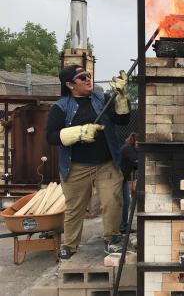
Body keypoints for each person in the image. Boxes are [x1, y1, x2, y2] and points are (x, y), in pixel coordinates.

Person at [46, 64, 130, 259]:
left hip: (106, 164)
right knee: (75, 208)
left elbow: (122, 121)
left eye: (89, 75)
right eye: (82, 77)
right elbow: (50, 136)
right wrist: (79, 133)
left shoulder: (103, 99)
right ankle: (70, 244)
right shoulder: (60, 107)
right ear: (69, 84)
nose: (87, 79)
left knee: (112, 202)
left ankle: (112, 239)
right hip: (75, 167)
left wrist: (122, 98)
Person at [119, 132, 138, 234]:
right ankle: (121, 227)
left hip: (123, 178)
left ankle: (123, 227)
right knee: (123, 202)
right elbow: (137, 162)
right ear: (134, 141)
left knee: (126, 202)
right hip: (118, 178)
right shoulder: (128, 149)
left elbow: (135, 165)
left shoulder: (131, 149)